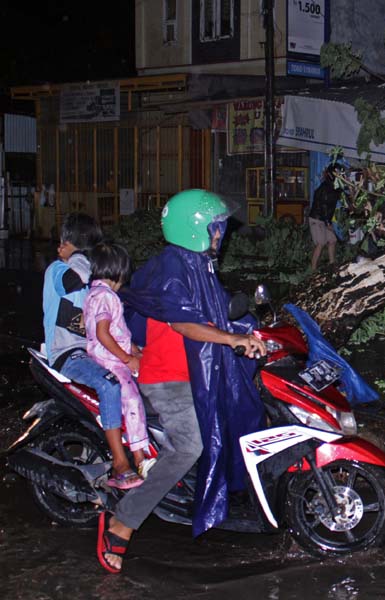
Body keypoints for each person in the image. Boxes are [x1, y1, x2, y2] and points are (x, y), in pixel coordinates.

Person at [96, 190, 266, 574]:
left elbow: (218, 311)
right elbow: (183, 323)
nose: (221, 235)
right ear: (196, 229)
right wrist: (232, 339)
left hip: (195, 374)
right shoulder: (173, 268)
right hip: (167, 379)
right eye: (216, 228)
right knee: (190, 447)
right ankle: (123, 521)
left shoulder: (197, 264)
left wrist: (250, 331)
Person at [42, 214, 129, 485]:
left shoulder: (93, 279)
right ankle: (120, 462)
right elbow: (71, 282)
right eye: (61, 243)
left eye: (63, 242)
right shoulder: (59, 270)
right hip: (68, 354)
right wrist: (78, 253)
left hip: (91, 352)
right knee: (109, 385)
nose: (59, 247)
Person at [84, 242, 153, 488]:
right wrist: (126, 358)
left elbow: (116, 330)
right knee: (133, 399)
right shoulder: (106, 296)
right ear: (119, 272)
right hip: (111, 361)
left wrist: (134, 348)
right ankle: (140, 457)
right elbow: (103, 333)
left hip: (108, 356)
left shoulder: (94, 293)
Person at [308, 164, 343, 271]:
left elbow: (342, 196)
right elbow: (323, 206)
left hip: (324, 219)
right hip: (317, 218)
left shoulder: (334, 187)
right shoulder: (326, 188)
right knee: (321, 242)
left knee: (332, 240)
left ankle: (332, 264)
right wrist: (328, 222)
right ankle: (313, 270)